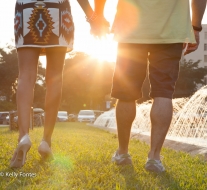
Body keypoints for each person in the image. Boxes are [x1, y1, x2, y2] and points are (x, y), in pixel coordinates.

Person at [95, 0, 206, 173]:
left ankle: (123, 153)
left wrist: (99, 15)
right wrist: (196, 27)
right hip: (171, 28)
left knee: (126, 93)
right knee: (164, 93)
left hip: (131, 27)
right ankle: (154, 158)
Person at [10, 0, 109, 168]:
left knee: (26, 75)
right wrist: (93, 17)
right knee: (54, 78)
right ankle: (46, 141)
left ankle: (23, 137)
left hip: (26, 8)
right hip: (57, 11)